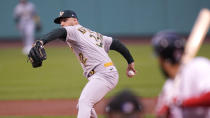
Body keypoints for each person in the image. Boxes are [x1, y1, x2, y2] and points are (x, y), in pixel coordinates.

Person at [28, 10, 136, 118]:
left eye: (65, 20)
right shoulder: (93, 34)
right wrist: (130, 62)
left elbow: (59, 32)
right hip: (104, 73)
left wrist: (41, 41)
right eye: (60, 21)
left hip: (104, 74)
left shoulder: (74, 30)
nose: (62, 24)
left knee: (85, 102)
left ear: (75, 20)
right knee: (84, 105)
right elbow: (116, 43)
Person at [152, 31, 210, 118]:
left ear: (164, 60)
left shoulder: (199, 66)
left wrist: (181, 102)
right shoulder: (169, 86)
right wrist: (166, 110)